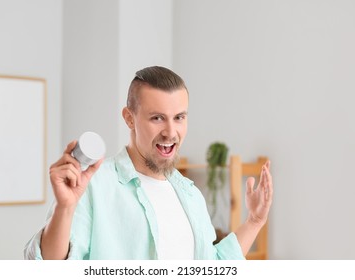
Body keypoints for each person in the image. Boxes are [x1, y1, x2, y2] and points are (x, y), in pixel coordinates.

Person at [24, 66, 273, 260]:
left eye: (179, 117)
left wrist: (254, 221)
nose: (170, 131)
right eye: (157, 118)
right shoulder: (94, 186)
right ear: (129, 118)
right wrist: (64, 208)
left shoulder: (190, 195)